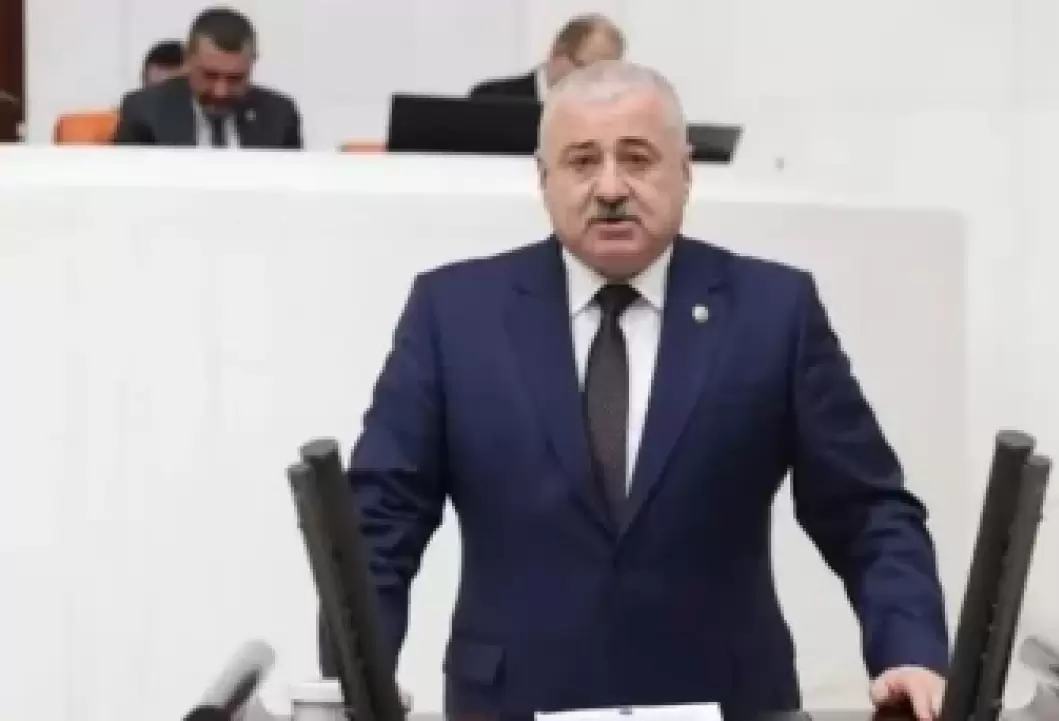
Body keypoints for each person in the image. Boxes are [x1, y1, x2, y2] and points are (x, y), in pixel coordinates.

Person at [342, 60, 949, 720]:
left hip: (729, 703)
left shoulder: (775, 311)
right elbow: (380, 519)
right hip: (514, 702)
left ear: (685, 172)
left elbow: (867, 511)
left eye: (637, 158)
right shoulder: (454, 313)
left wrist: (909, 652)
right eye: (581, 161)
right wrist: (359, 677)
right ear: (543, 179)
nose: (610, 188)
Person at [113, 6, 301, 148]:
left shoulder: (280, 115)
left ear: (252, 63)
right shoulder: (144, 112)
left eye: (235, 78)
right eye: (209, 75)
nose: (221, 92)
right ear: (188, 60)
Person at [468, 13, 624, 101]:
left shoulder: (609, 117)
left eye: (603, 75)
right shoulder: (491, 99)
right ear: (557, 52)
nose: (594, 84)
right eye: (586, 70)